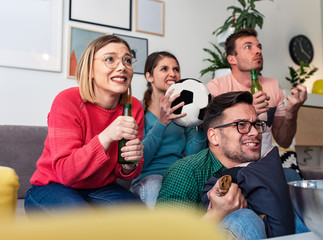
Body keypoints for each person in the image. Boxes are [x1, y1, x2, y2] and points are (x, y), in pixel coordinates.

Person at [156, 91, 308, 239]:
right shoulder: (186, 172)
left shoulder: (267, 172)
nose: (255, 132)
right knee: (244, 218)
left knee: (289, 179)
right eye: (241, 125)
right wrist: (217, 213)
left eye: (256, 124)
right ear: (214, 136)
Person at [24, 35, 145, 214]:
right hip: (52, 186)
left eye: (127, 60)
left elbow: (125, 172)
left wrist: (129, 164)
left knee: (140, 215)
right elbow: (66, 173)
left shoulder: (133, 107)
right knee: (80, 218)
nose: (122, 67)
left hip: (101, 188)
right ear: (89, 70)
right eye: (110, 59)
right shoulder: (67, 101)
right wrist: (107, 136)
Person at [206, 28, 307, 156]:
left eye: (259, 47)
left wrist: (291, 114)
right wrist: (248, 111)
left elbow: (284, 142)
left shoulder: (273, 86)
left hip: (263, 166)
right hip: (229, 167)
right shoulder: (217, 88)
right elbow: (207, 136)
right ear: (232, 59)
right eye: (248, 47)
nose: (258, 51)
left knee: (291, 175)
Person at [130, 51, 206, 208]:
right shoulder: (138, 110)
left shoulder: (186, 112)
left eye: (176, 69)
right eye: (164, 69)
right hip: (147, 180)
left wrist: (202, 128)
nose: (172, 73)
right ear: (149, 76)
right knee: (155, 184)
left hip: (177, 178)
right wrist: (162, 123)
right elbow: (139, 162)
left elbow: (193, 156)